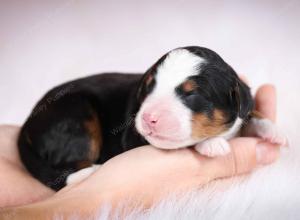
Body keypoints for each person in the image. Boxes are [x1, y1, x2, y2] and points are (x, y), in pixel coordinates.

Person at [0, 84, 280, 219]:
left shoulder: (226, 104)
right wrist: (77, 203)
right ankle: (74, 167)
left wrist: (253, 120)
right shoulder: (144, 113)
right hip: (65, 114)